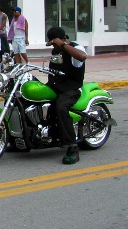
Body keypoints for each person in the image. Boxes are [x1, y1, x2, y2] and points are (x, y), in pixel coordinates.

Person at [45, 27, 87, 165]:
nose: (54, 46)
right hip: (56, 87)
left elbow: (82, 57)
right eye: (52, 44)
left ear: (63, 39)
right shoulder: (56, 51)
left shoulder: (75, 47)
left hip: (71, 88)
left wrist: (63, 45)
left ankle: (72, 146)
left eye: (55, 43)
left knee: (61, 107)